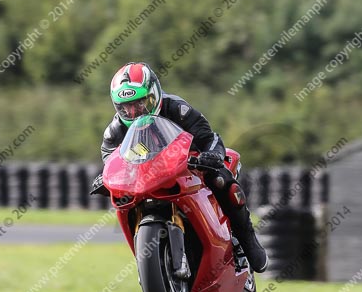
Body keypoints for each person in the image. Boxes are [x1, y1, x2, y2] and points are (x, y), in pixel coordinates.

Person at [91, 61, 268, 273]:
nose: (134, 111)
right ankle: (151, 261)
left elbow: (209, 137)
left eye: (140, 103)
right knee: (124, 202)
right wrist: (108, 178)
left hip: (188, 165)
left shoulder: (177, 109)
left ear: (154, 94)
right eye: (125, 107)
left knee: (221, 180)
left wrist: (211, 156)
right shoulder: (114, 130)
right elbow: (111, 159)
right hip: (147, 177)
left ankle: (247, 240)